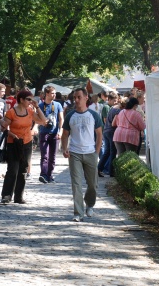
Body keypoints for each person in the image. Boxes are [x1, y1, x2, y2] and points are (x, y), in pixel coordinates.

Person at [61, 88, 103, 222]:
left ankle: (90, 204)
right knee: (76, 184)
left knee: (92, 184)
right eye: (74, 97)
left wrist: (96, 152)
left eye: (79, 97)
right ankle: (78, 213)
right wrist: (64, 148)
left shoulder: (93, 115)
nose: (76, 100)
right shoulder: (70, 115)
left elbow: (99, 135)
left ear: (86, 98)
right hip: (75, 153)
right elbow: (65, 134)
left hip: (90, 153)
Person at [0, 90, 46, 204]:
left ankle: (18, 196)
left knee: (23, 170)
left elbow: (43, 121)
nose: (31, 101)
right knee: (13, 169)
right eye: (28, 99)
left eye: (31, 99)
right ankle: (6, 195)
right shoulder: (11, 112)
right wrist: (12, 134)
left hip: (27, 143)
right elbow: (4, 128)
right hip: (14, 143)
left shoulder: (30, 111)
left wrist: (38, 107)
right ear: (21, 100)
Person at [38, 86, 64, 184]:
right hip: (44, 132)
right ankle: (43, 175)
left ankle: (50, 175)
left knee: (52, 157)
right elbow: (37, 119)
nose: (54, 95)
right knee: (44, 155)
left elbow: (61, 119)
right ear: (47, 94)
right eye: (52, 93)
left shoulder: (58, 105)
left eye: (55, 93)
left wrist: (60, 131)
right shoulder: (40, 105)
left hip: (54, 133)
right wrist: (36, 127)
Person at [98, 96, 128, 177]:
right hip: (112, 131)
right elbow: (114, 123)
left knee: (107, 152)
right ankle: (111, 171)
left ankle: (98, 168)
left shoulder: (113, 108)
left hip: (106, 130)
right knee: (112, 152)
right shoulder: (119, 111)